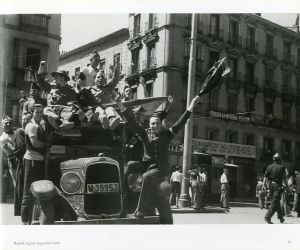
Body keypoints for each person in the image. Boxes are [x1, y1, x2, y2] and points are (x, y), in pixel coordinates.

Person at [115, 93, 201, 224]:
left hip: (159, 169)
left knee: (147, 177)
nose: (154, 126)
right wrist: (120, 105)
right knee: (130, 164)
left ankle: (141, 209)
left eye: (156, 123)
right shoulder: (145, 134)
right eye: (152, 124)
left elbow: (180, 122)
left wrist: (191, 107)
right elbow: (132, 122)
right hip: (146, 165)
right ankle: (122, 191)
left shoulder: (167, 135)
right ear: (149, 125)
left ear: (160, 124)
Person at [21, 104, 47, 225]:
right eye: (37, 112)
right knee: (29, 191)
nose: (39, 114)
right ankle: (25, 220)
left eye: (41, 112)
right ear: (32, 113)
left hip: (38, 161)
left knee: (37, 190)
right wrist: (48, 145)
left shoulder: (38, 125)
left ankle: (33, 218)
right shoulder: (31, 126)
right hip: (32, 161)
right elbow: (35, 143)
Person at [263, 153, 291, 224]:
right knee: (274, 202)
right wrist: (288, 189)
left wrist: (264, 185)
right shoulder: (281, 167)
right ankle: (267, 217)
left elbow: (265, 177)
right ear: (279, 160)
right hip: (278, 186)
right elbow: (284, 180)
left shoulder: (269, 166)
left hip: (271, 186)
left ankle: (281, 218)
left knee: (276, 202)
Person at [91, 65, 121, 130]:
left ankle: (112, 121)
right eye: (98, 77)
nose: (100, 79)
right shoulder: (90, 90)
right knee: (99, 110)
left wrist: (116, 70)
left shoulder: (107, 88)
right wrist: (100, 92)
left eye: (102, 77)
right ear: (94, 80)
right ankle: (104, 120)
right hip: (96, 110)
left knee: (109, 109)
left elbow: (115, 80)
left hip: (107, 107)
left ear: (104, 80)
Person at [0, 115, 17, 187]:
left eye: (10, 123)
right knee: (16, 182)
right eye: (6, 123)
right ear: (2, 126)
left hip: (22, 159)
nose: (8, 124)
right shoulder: (2, 138)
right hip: (13, 161)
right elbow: (9, 151)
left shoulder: (17, 133)